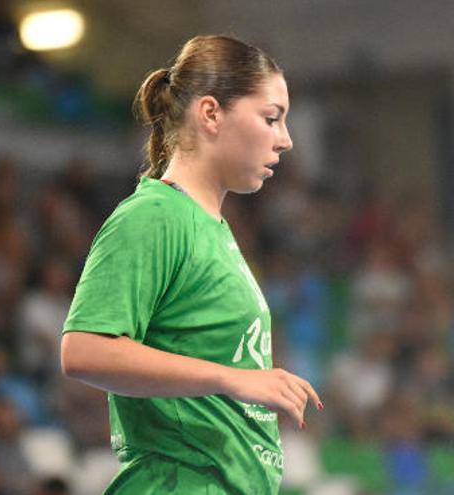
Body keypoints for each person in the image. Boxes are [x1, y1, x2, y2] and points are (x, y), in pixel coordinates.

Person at [60, 34, 322, 495]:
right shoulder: (155, 217)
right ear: (210, 114)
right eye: (271, 118)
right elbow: (83, 350)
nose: (286, 139)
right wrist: (229, 378)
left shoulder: (212, 229)